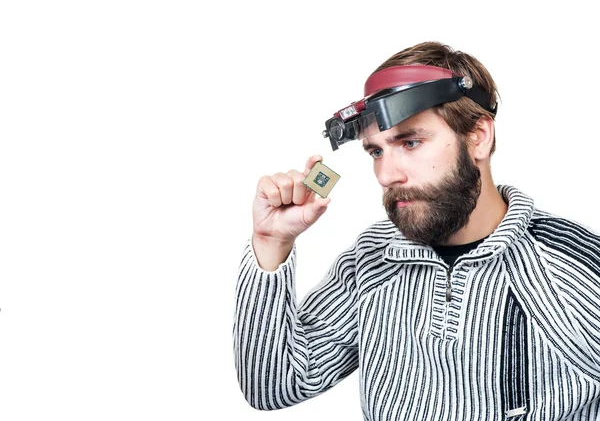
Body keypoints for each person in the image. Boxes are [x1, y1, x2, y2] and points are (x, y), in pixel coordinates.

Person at [232, 42, 600, 420]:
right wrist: (272, 242)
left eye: (410, 142)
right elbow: (273, 385)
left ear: (478, 136)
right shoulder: (372, 259)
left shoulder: (576, 263)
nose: (386, 175)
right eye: (376, 152)